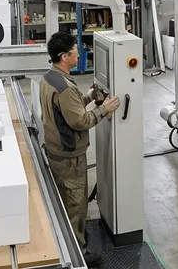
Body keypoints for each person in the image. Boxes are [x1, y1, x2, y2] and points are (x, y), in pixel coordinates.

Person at [39, 32, 121, 267]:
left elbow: (66, 110)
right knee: (75, 205)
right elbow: (79, 122)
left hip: (56, 150)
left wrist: (88, 98)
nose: (79, 55)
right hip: (69, 157)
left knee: (67, 201)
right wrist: (105, 108)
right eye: (76, 52)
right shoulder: (64, 87)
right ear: (65, 56)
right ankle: (78, 255)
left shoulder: (50, 78)